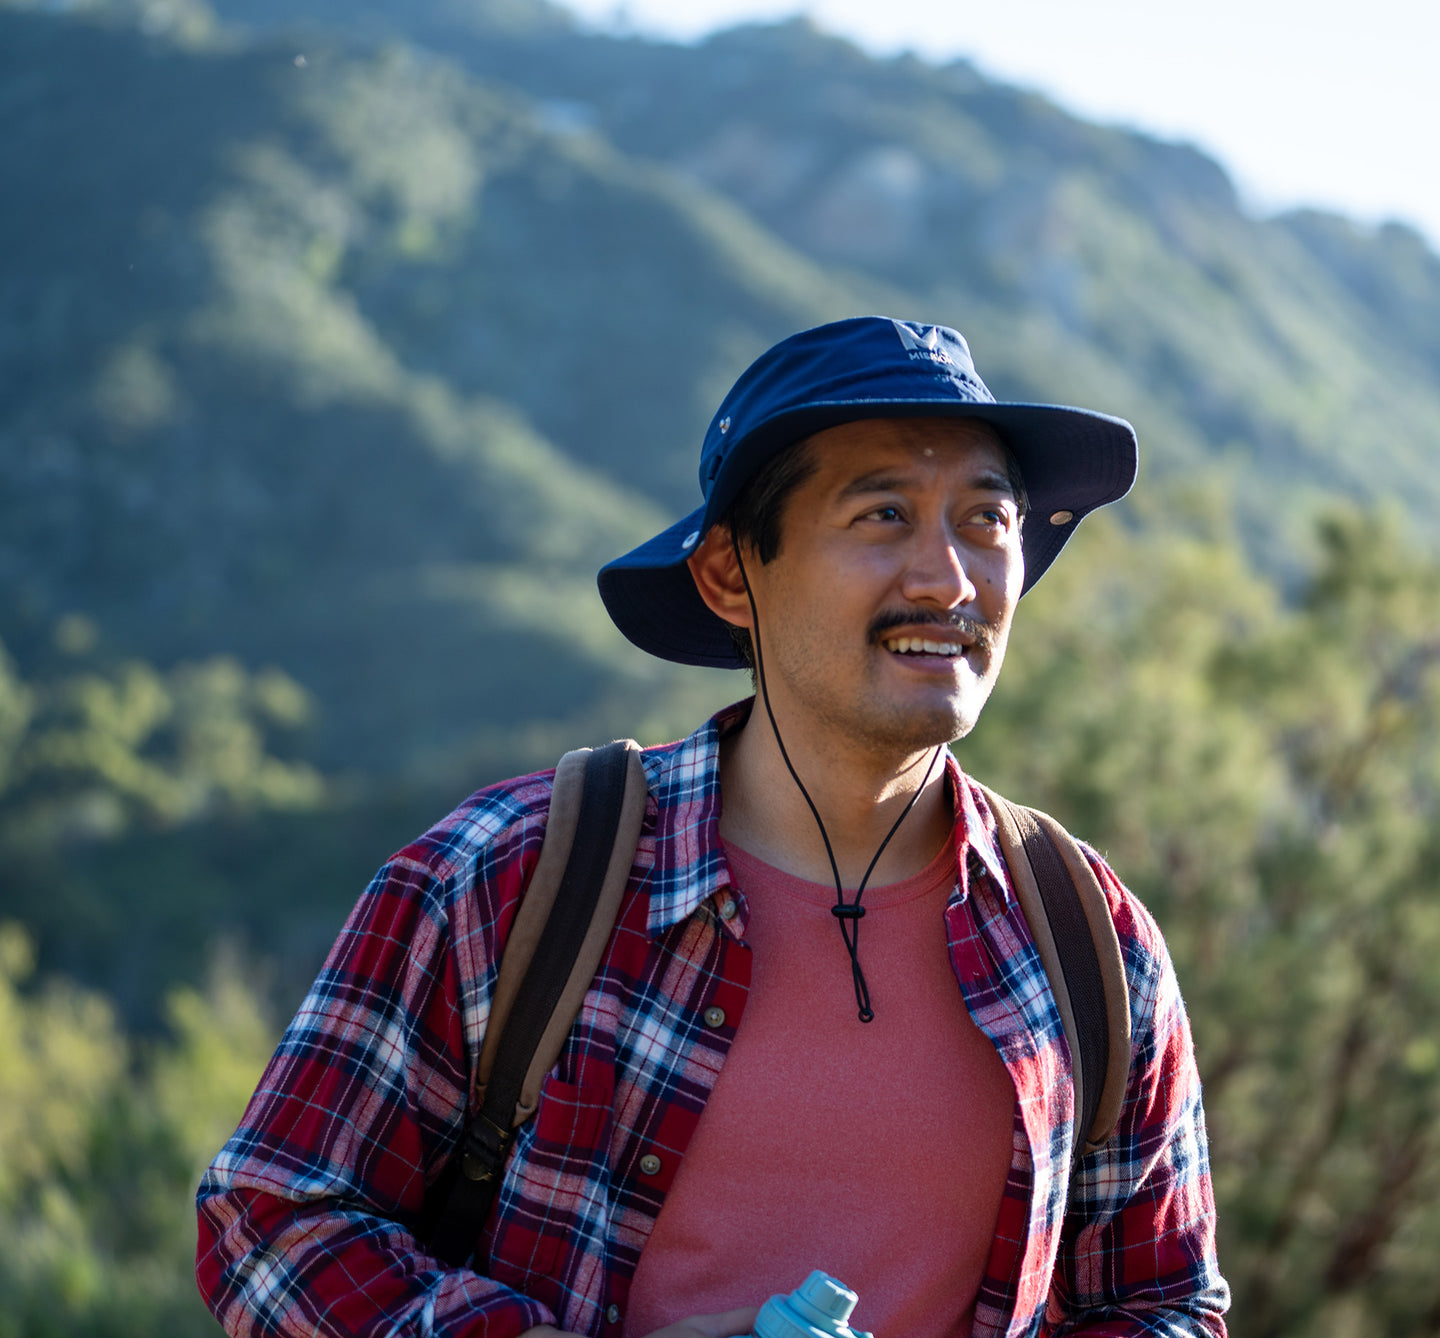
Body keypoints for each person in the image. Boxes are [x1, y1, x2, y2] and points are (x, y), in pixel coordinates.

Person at [197, 317, 1229, 1338]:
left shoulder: (1092, 944)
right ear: (732, 573)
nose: (947, 578)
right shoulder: (508, 877)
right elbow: (269, 1221)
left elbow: (1166, 1305)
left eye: (987, 521)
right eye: (882, 516)